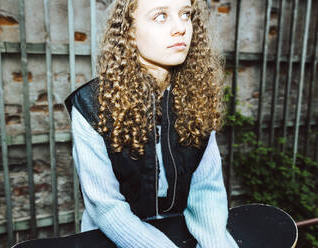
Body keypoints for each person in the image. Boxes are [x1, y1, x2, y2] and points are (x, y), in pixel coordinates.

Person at [65, 0, 239, 247]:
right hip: (111, 237)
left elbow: (206, 190)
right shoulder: (91, 105)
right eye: (161, 16)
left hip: (179, 231)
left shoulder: (197, 95)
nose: (180, 28)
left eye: (185, 14)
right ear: (129, 30)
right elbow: (106, 206)